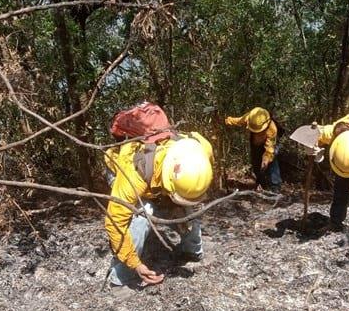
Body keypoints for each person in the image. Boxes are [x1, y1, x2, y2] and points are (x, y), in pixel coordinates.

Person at [104, 133, 213, 287]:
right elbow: (115, 223)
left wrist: (180, 205)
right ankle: (121, 277)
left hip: (156, 176)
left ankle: (191, 251)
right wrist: (136, 265)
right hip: (120, 170)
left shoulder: (200, 149)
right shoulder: (134, 173)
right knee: (143, 213)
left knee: (188, 209)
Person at [225, 106, 281, 192]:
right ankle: (261, 183)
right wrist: (226, 120)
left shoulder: (272, 129)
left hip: (269, 146)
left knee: (272, 163)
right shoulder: (249, 117)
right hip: (255, 144)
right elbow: (239, 121)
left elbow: (270, 148)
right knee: (256, 163)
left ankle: (275, 186)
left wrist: (266, 159)